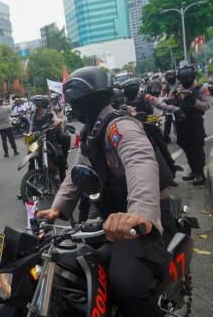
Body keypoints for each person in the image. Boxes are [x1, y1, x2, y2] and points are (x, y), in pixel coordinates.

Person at [37, 66, 177, 317]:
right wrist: (58, 207)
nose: (73, 108)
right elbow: (76, 171)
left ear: (89, 100)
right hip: (114, 220)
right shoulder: (91, 130)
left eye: (75, 102)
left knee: (126, 286)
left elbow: (140, 162)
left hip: (140, 224)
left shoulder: (119, 126)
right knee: (78, 263)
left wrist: (140, 214)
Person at [175, 65, 211, 185]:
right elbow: (167, 101)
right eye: (183, 78)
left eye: (188, 78)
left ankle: (200, 173)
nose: (186, 81)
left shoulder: (200, 88)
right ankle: (194, 170)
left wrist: (194, 101)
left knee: (197, 147)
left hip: (195, 122)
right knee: (186, 146)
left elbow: (207, 105)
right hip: (181, 123)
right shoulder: (176, 89)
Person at [29, 95, 70, 181]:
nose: (35, 107)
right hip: (38, 140)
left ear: (41, 105)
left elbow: (56, 120)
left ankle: (63, 178)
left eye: (36, 105)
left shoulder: (50, 113)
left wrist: (57, 122)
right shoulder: (33, 115)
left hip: (49, 139)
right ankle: (29, 181)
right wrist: (28, 135)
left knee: (60, 155)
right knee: (30, 156)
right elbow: (31, 127)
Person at [161, 70, 180, 143]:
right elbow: (161, 95)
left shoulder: (179, 84)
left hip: (179, 104)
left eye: (171, 76)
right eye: (168, 77)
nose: (170, 78)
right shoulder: (165, 86)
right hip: (169, 105)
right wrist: (163, 100)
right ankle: (166, 136)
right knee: (168, 121)